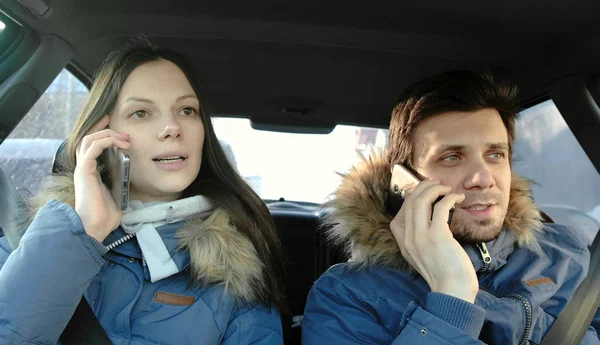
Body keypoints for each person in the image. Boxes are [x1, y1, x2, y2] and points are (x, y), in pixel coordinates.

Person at [0, 38, 286, 345]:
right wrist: (83, 231)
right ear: (99, 134)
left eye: (187, 110)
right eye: (141, 113)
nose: (172, 127)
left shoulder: (237, 280)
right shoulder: (29, 244)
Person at [302, 70, 600, 344]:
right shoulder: (347, 296)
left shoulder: (566, 252)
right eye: (452, 157)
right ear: (404, 180)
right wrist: (452, 296)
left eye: (495, 154)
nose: (482, 179)